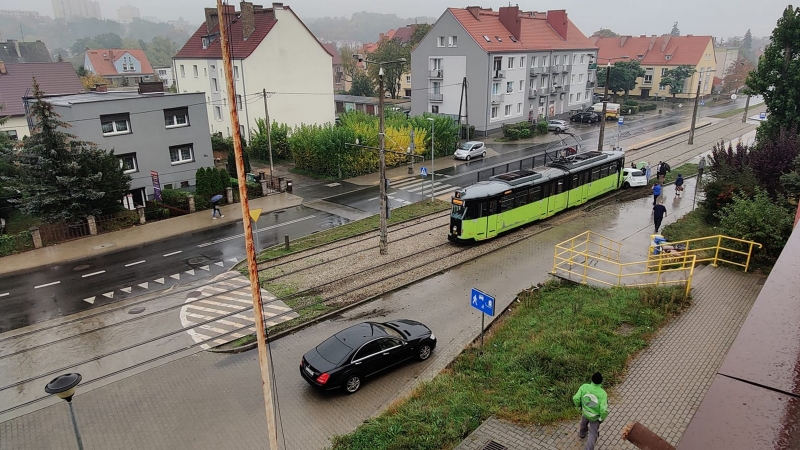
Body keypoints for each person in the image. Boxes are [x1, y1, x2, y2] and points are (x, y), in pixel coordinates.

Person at [573, 372, 608, 450]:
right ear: (601, 381)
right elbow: (603, 409)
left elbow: (576, 398)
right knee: (593, 433)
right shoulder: (603, 394)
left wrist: (579, 406)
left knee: (583, 423)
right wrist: (601, 418)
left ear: (591, 379)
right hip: (595, 417)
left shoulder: (584, 387)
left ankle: (582, 434)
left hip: (585, 412)